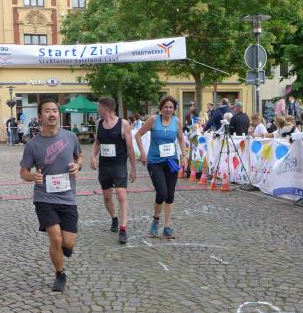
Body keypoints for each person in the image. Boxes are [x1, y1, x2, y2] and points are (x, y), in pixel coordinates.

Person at [20, 100, 83, 293]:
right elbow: (23, 172)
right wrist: (32, 176)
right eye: (47, 111)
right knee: (55, 238)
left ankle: (66, 247)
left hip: (67, 197)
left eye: (55, 110)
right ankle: (59, 274)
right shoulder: (32, 145)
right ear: (40, 117)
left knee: (68, 242)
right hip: (44, 198)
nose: (52, 114)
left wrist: (78, 165)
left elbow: (79, 156)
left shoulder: (71, 137)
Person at [135, 95, 188, 239]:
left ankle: (168, 225)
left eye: (171, 107)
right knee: (162, 192)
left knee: (170, 194)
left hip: (171, 161)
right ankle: (156, 219)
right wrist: (142, 153)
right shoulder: (153, 120)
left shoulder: (177, 122)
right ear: (161, 108)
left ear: (174, 109)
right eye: (165, 107)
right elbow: (138, 135)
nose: (168, 110)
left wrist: (184, 156)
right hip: (155, 162)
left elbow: (181, 139)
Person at [91, 97, 137, 244]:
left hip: (119, 165)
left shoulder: (123, 124)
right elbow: (97, 142)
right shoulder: (99, 123)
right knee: (107, 197)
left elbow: (130, 148)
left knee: (121, 195)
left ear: (105, 108)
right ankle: (114, 219)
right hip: (104, 166)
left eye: (99, 107)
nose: (98, 109)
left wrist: (133, 168)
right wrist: (93, 156)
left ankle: (123, 229)